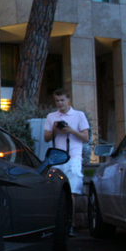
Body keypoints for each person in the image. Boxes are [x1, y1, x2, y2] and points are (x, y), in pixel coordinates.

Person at [44, 88, 90, 236]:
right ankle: (59, 223)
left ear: (68, 100)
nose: (59, 103)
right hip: (58, 157)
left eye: (62, 100)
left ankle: (71, 224)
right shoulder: (52, 116)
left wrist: (71, 131)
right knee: (57, 191)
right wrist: (55, 130)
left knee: (73, 191)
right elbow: (46, 138)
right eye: (57, 100)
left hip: (74, 157)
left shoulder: (79, 115)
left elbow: (86, 137)